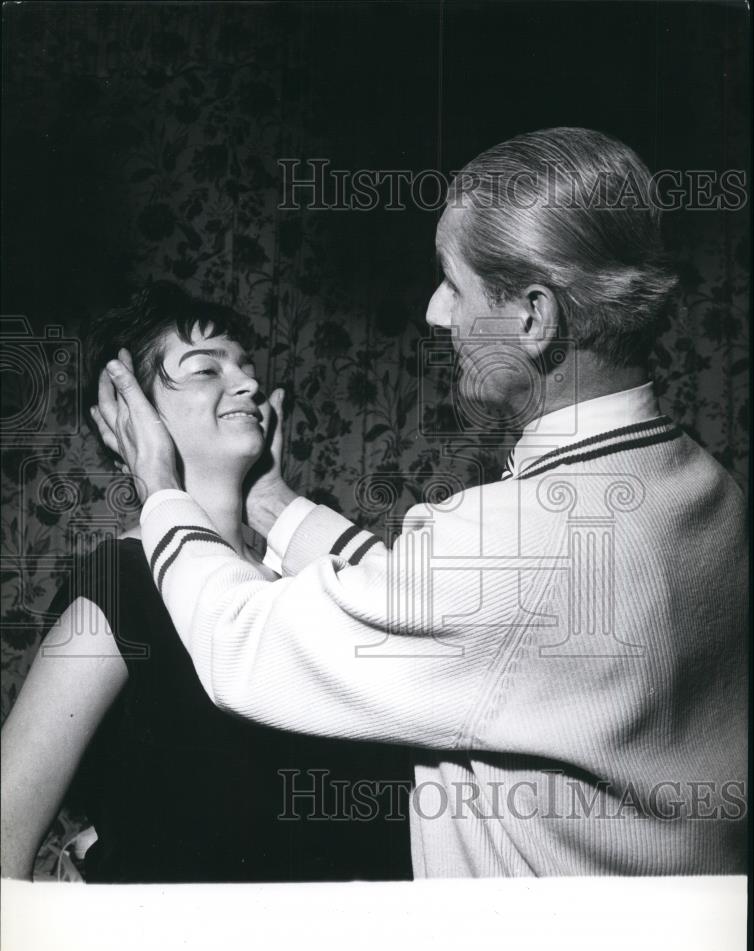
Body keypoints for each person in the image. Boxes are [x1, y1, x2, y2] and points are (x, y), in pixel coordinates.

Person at [93, 128, 747, 877]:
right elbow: (449, 615)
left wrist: (160, 488)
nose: (437, 314)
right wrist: (273, 502)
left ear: (534, 318)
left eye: (454, 284)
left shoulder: (525, 541)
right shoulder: (708, 489)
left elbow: (246, 645)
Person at [1, 282, 412, 882]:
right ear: (130, 415)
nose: (247, 383)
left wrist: (272, 498)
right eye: (204, 370)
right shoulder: (118, 587)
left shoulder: (308, 579)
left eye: (246, 367)